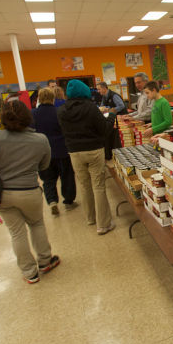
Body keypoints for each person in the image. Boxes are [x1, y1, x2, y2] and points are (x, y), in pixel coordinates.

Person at [0, 100, 60, 284]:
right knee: (37, 224)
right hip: (30, 190)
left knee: (16, 233)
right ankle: (45, 261)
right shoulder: (40, 139)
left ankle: (29, 272)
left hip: (3, 193)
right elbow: (44, 165)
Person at [57, 79, 115, 235]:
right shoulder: (90, 108)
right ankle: (104, 224)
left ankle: (90, 218)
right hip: (94, 150)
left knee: (84, 186)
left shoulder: (61, 110)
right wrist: (110, 117)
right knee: (98, 186)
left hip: (74, 152)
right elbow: (104, 130)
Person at [32, 88, 77, 215]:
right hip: (62, 149)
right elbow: (68, 130)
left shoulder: (33, 114)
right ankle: (68, 200)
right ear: (53, 98)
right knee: (66, 176)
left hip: (42, 153)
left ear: (39, 99)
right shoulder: (60, 111)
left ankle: (52, 201)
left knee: (48, 179)